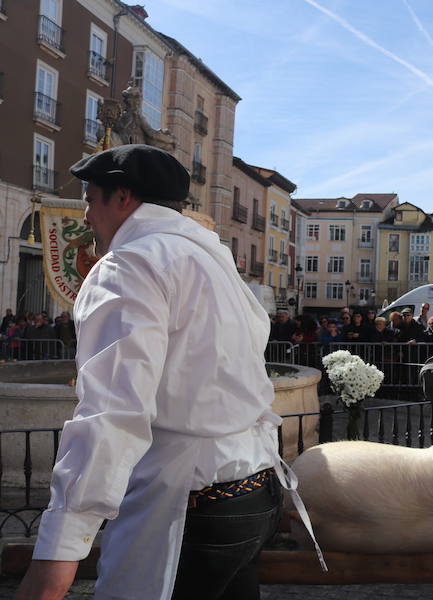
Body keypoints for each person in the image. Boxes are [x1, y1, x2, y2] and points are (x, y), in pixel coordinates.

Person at [15, 145, 322, 600]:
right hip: (253, 487)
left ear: (122, 197)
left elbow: (113, 414)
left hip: (188, 502)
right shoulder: (214, 262)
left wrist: (58, 553)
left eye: (90, 196)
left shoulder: (129, 265)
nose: (84, 210)